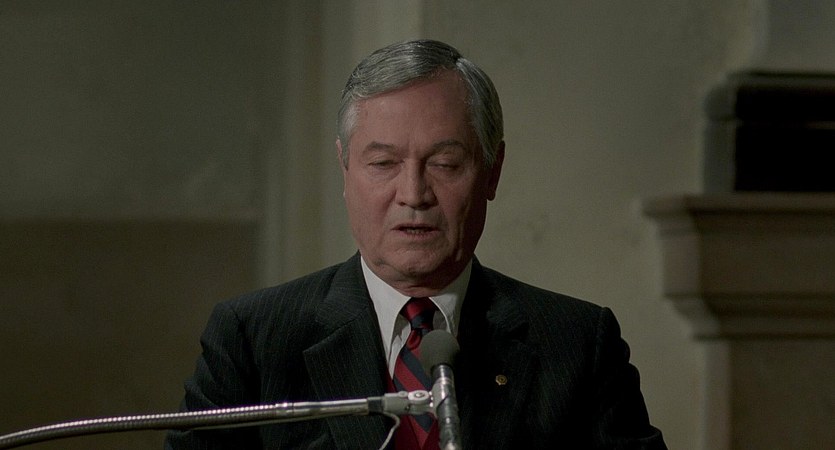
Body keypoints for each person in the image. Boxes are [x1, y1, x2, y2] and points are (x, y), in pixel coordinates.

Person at [165, 39, 666, 449]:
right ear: (345, 169)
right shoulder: (253, 340)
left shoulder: (577, 345)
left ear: (492, 172)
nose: (413, 194)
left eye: (445, 164)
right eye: (383, 164)